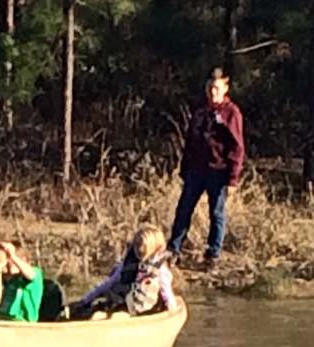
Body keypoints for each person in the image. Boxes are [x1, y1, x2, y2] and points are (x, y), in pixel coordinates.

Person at [168, 67, 245, 270]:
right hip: (196, 170)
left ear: (225, 88)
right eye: (210, 87)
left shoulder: (231, 113)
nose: (213, 92)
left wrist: (233, 178)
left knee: (216, 214)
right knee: (184, 209)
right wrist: (184, 169)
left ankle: (213, 255)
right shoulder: (201, 112)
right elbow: (190, 142)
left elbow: (237, 147)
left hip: (218, 171)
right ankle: (174, 250)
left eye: (217, 88)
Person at [72, 224, 177, 318]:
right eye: (137, 244)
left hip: (140, 309)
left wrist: (171, 308)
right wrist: (86, 299)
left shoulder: (159, 269)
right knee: (97, 315)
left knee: (117, 317)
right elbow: (109, 283)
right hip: (121, 302)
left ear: (155, 248)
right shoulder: (127, 264)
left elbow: (166, 290)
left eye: (143, 246)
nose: (139, 249)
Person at [0, 239, 43, 322]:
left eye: (9, 261)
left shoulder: (35, 274)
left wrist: (12, 256)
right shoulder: (3, 277)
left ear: (23, 259)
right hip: (0, 321)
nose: (7, 263)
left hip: (22, 324)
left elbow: (30, 274)